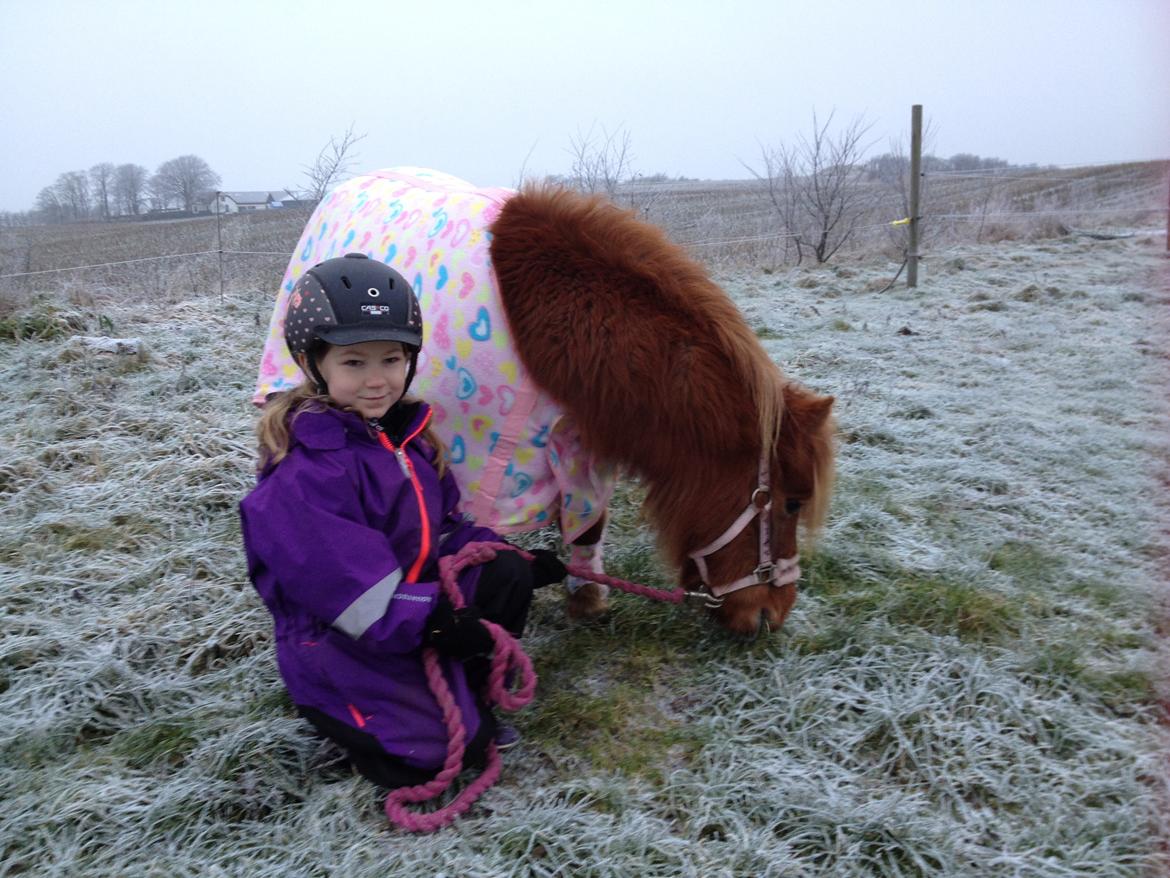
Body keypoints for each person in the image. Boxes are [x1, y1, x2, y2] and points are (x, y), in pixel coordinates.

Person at [239, 253, 566, 790]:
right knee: (435, 757)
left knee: (505, 570)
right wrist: (435, 621)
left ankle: (469, 687)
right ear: (312, 362)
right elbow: (354, 598)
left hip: (406, 607)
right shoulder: (303, 479)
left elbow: (446, 529)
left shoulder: (405, 438)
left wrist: (514, 556)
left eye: (391, 359)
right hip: (345, 637)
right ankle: (343, 711)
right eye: (353, 363)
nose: (377, 381)